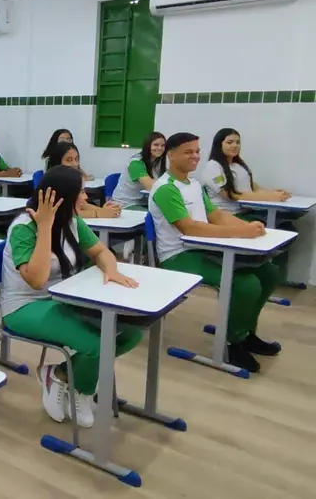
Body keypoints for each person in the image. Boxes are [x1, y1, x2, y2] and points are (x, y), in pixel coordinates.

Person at [1, 166, 142, 427]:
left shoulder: (72, 221)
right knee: (96, 343)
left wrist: (111, 272)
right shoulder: (24, 227)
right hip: (24, 306)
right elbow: (37, 279)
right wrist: (45, 226)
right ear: (62, 198)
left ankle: (61, 375)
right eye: (80, 193)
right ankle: (82, 391)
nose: (86, 198)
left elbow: (102, 252)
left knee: (130, 331)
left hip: (66, 298)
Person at [150, 132, 282, 374]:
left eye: (197, 151)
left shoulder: (194, 185)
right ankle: (234, 343)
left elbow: (216, 215)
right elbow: (189, 228)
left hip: (204, 247)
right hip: (180, 255)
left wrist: (248, 227)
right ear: (171, 154)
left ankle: (247, 331)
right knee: (246, 284)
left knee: (269, 272)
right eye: (188, 152)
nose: (195, 156)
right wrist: (241, 234)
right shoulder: (165, 188)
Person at [201, 128, 292, 214]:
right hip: (230, 214)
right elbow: (230, 195)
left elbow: (253, 187)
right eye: (230, 142)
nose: (235, 145)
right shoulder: (213, 166)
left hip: (247, 210)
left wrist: (272, 193)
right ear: (219, 145)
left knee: (286, 222)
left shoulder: (238, 165)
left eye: (238, 142)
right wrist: (270, 197)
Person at [47, 142, 120, 219]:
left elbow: (85, 205)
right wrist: (98, 213)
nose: (75, 164)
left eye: (76, 159)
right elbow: (67, 213)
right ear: (57, 162)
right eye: (69, 160)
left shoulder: (73, 181)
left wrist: (107, 211)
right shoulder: (54, 184)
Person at [110, 131, 167, 210]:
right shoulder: (136, 163)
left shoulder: (156, 163)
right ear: (147, 146)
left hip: (143, 202)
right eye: (156, 145)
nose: (160, 148)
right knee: (161, 216)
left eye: (163, 145)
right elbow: (150, 186)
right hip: (125, 204)